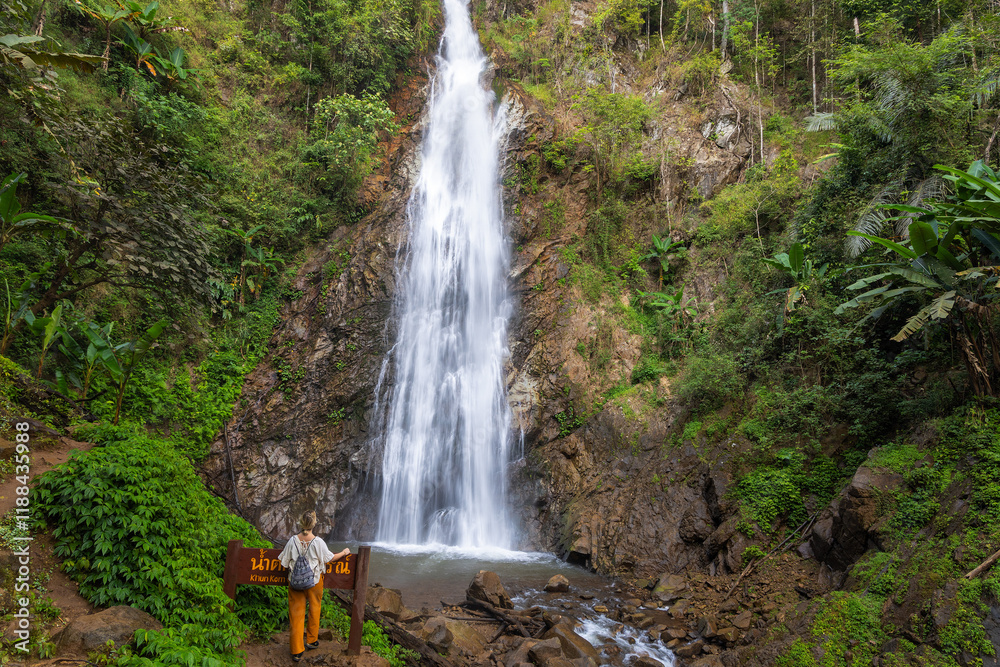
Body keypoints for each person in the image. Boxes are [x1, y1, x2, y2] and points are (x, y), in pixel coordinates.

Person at [278, 510, 351, 662]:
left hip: (295, 582)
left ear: (301, 523)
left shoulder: (292, 541)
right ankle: (312, 640)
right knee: (314, 609)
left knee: (296, 614)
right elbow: (330, 558)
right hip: (315, 581)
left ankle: (296, 650)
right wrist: (344, 552)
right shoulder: (318, 542)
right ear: (314, 524)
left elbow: (283, 561)